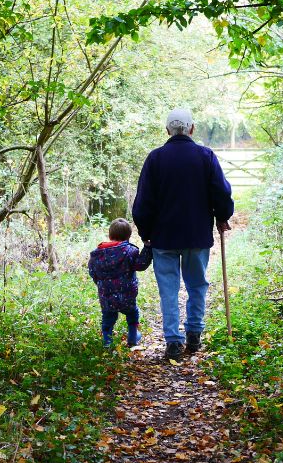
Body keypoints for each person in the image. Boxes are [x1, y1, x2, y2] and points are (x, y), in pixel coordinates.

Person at [132, 108, 234, 360]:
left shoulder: (155, 159)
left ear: (167, 130)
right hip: (196, 236)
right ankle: (194, 335)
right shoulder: (205, 156)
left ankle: (173, 342)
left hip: (162, 238)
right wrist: (223, 216)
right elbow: (221, 192)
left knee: (168, 290)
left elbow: (143, 202)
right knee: (197, 285)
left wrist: (146, 233)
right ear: (192, 128)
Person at [88, 218, 153, 348]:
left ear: (110, 235)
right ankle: (133, 337)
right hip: (127, 294)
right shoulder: (130, 251)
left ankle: (107, 342)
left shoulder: (97, 254)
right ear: (129, 236)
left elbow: (92, 272)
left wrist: (101, 284)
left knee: (108, 318)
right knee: (132, 313)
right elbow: (141, 265)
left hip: (106, 295)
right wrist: (147, 248)